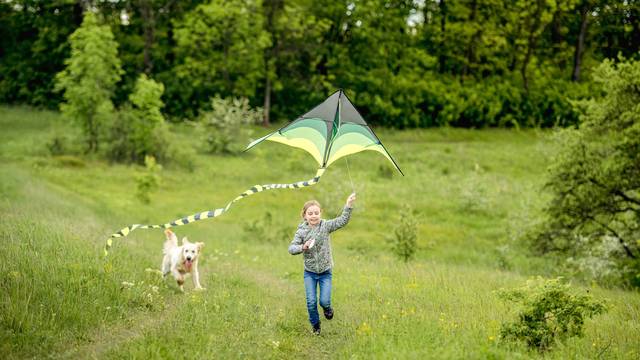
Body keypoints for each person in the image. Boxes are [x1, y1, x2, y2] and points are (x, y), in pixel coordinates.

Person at [288, 193, 356, 335]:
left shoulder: (325, 226)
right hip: (310, 273)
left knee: (324, 301)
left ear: (320, 213)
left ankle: (327, 308)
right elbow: (291, 248)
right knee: (311, 302)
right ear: (305, 215)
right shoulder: (301, 232)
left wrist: (348, 205)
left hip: (325, 272)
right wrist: (302, 247)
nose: (314, 216)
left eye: (316, 213)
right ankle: (316, 325)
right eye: (310, 213)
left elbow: (342, 221)